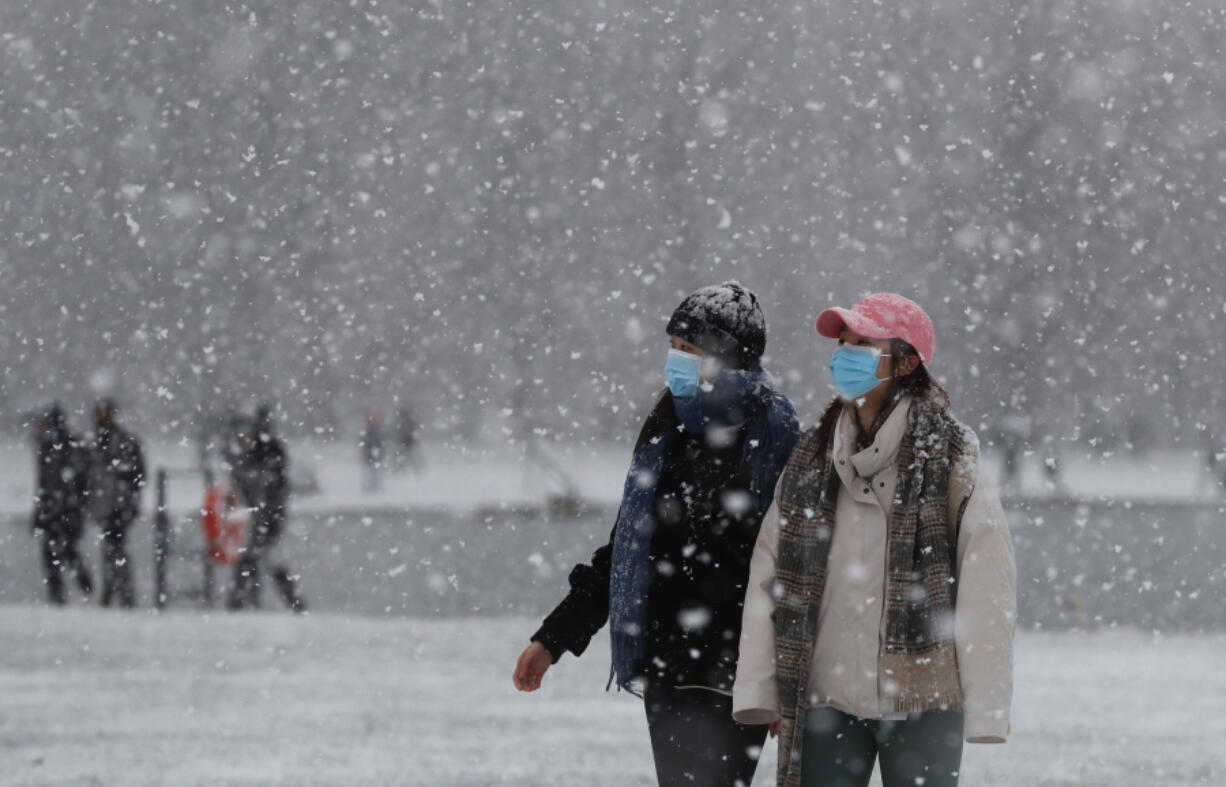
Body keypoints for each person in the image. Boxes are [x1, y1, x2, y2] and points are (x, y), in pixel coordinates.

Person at [513, 282, 800, 787]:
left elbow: (798, 565)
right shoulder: (668, 427)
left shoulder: (773, 434)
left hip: (739, 667)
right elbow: (626, 548)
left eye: (690, 349)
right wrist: (555, 638)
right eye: (673, 347)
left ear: (726, 357)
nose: (676, 360)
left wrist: (788, 678)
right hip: (669, 662)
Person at [733, 293, 1017, 787]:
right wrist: (764, 688)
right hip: (826, 693)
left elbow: (987, 578)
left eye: (863, 343)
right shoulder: (811, 455)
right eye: (844, 341)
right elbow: (769, 570)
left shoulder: (950, 454)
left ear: (905, 362)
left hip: (922, 694)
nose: (845, 353)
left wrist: (986, 703)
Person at [227, 403, 305, 612]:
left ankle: (243, 600)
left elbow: (256, 479)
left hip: (263, 511)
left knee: (255, 557)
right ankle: (289, 602)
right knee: (265, 558)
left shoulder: (260, 449)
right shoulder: (270, 448)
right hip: (267, 511)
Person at [32, 403, 93, 605]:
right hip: (59, 509)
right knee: (60, 552)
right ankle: (66, 591)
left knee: (62, 552)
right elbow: (44, 484)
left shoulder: (59, 448)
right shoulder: (54, 447)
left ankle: (66, 591)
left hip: (62, 509)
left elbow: (69, 481)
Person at [90, 399, 146, 607]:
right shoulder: (100, 442)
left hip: (118, 505)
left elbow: (138, 473)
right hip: (111, 504)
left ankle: (117, 592)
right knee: (113, 548)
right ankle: (118, 592)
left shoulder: (123, 442)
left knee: (114, 548)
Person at [360, 412, 385, 493]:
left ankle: (376, 488)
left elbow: (381, 444)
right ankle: (369, 489)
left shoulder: (378, 432)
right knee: (369, 474)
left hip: (376, 457)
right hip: (369, 457)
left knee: (376, 474)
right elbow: (365, 444)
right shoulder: (368, 432)